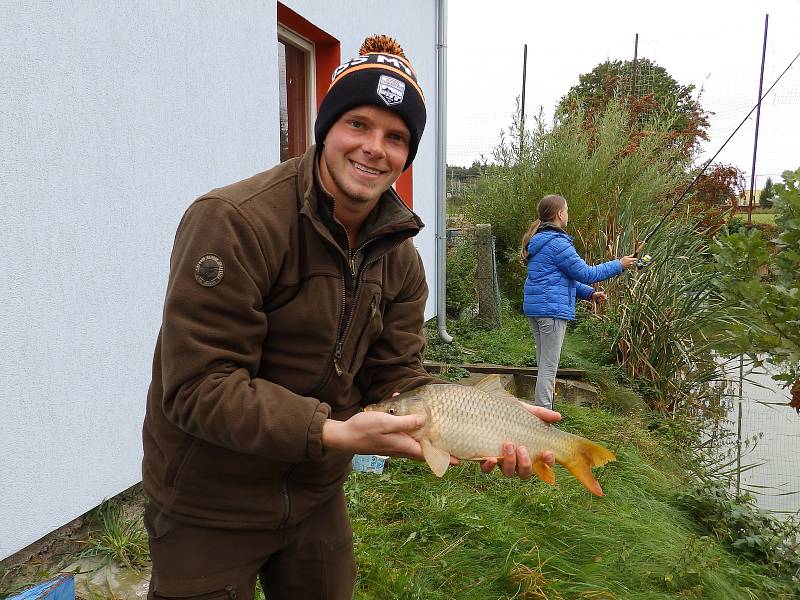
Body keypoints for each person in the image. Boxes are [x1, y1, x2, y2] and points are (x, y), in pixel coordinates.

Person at [142, 35, 561, 600]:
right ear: (326, 128)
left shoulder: (401, 257)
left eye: (395, 137)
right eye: (357, 125)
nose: (373, 148)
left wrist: (488, 417)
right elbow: (196, 388)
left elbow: (397, 377)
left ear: (407, 155)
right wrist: (333, 431)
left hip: (315, 493)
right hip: (209, 499)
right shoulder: (233, 222)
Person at [521, 194, 637, 409]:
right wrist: (619, 264)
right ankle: (543, 416)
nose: (568, 214)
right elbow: (586, 273)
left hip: (537, 308)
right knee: (548, 367)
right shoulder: (557, 243)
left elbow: (558, 279)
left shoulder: (539, 240)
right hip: (551, 311)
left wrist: (589, 294)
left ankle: (540, 410)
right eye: (567, 210)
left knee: (543, 363)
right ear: (559, 214)